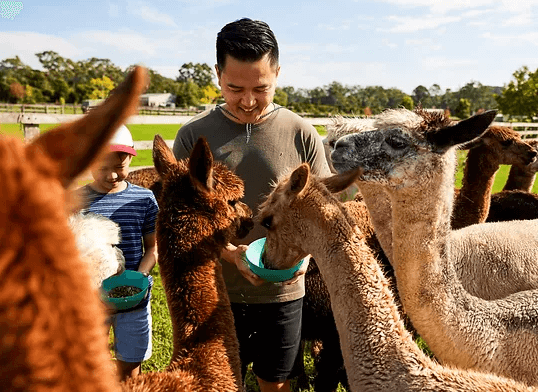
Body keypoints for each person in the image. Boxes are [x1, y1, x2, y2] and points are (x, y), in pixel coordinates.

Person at [172, 18, 332, 392]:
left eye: (261, 88)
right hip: (214, 292)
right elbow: (179, 221)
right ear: (217, 75)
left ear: (278, 72)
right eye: (234, 88)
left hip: (283, 293)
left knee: (275, 384)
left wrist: (302, 257)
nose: (247, 100)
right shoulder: (193, 136)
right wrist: (229, 254)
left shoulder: (301, 133)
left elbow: (322, 211)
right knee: (217, 383)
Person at [78, 124, 159, 381]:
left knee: (131, 364)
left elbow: (153, 248)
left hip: (133, 299)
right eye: (102, 167)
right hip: (89, 300)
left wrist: (139, 278)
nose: (112, 175)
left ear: (131, 156)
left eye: (120, 166)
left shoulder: (144, 199)